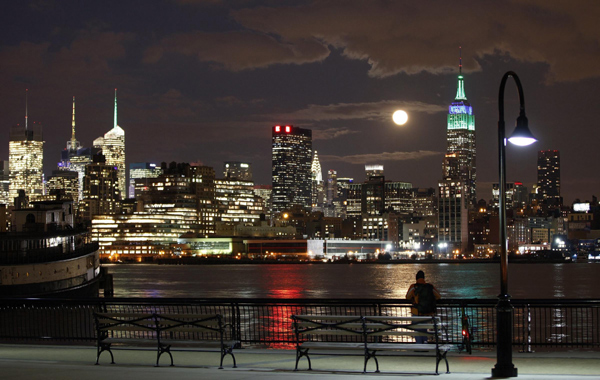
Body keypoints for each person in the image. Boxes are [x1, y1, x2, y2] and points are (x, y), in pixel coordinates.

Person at [405, 270, 441, 343]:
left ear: (416, 278)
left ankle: (419, 347)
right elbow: (438, 296)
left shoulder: (414, 287)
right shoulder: (430, 287)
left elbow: (408, 297)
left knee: (417, 330)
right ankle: (425, 345)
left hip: (416, 312)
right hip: (427, 312)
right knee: (424, 330)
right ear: (424, 278)